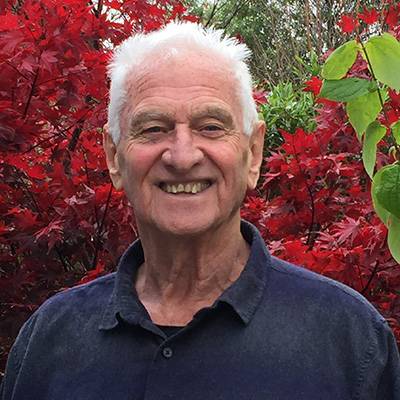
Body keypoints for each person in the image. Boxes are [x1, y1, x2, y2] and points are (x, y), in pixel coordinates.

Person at [1, 21, 400, 400]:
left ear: (253, 153)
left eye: (210, 126)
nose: (182, 156)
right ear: (114, 157)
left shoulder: (351, 342)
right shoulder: (51, 341)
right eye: (153, 128)